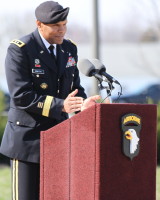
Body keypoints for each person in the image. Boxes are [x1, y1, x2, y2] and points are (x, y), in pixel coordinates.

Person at [0, 1, 100, 199]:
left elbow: (75, 89)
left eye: (64, 24)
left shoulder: (69, 49)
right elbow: (21, 96)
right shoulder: (21, 49)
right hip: (27, 141)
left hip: (58, 139)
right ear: (39, 24)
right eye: (56, 26)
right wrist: (61, 105)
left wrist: (83, 105)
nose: (62, 30)